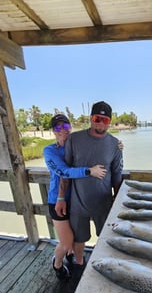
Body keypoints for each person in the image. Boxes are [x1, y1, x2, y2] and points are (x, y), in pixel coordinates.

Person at [63, 101, 123, 284]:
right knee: (78, 240)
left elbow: (117, 174)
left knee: (106, 238)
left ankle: (103, 266)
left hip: (103, 203)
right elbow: (65, 170)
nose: (101, 124)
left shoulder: (115, 144)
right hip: (77, 202)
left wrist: (117, 200)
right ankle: (79, 266)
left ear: (110, 122)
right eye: (98, 119)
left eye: (105, 120)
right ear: (91, 118)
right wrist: (61, 198)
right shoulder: (74, 139)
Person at [43, 114, 107, 281]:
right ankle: (57, 264)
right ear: (53, 131)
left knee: (77, 238)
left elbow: (96, 146)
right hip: (57, 201)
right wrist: (88, 171)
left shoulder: (77, 144)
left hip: (76, 200)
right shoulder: (50, 151)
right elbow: (64, 171)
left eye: (65, 126)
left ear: (70, 127)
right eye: (57, 127)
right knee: (66, 242)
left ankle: (73, 258)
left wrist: (115, 146)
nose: (62, 130)